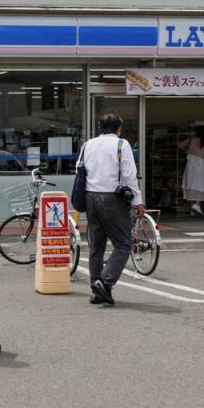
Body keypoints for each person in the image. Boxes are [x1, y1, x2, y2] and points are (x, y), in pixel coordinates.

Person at [81, 112, 145, 306]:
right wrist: (138, 201)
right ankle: (105, 280)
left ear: (100, 127)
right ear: (119, 128)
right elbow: (129, 175)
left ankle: (97, 290)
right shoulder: (121, 144)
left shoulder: (88, 144)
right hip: (112, 199)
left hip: (90, 196)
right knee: (124, 244)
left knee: (97, 245)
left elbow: (80, 169)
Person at [179, 125, 204, 216]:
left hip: (190, 164)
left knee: (190, 186)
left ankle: (192, 209)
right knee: (201, 186)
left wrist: (187, 150)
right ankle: (197, 204)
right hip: (200, 165)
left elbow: (179, 145)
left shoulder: (191, 140)